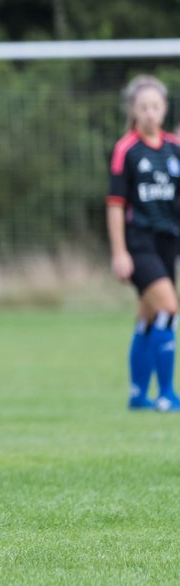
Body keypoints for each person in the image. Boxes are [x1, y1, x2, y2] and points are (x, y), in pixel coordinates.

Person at [107, 74, 180, 412]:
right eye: (143, 107)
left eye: (155, 106)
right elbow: (116, 204)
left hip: (168, 241)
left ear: (164, 109)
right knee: (169, 308)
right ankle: (167, 394)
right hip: (140, 241)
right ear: (133, 111)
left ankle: (138, 396)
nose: (150, 112)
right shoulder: (127, 149)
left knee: (148, 316)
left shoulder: (174, 148)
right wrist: (120, 252)